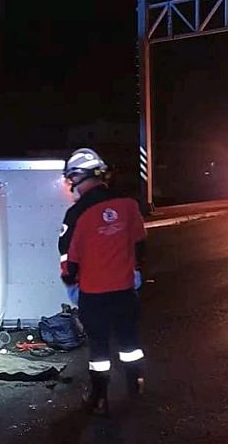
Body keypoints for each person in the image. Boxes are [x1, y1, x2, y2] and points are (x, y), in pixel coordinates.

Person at [58, 148, 147, 416]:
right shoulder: (129, 205)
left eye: (71, 179)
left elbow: (68, 257)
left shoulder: (76, 214)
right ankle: (136, 384)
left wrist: (70, 280)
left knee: (99, 348)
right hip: (124, 290)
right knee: (129, 341)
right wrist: (132, 270)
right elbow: (140, 243)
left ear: (77, 177)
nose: (71, 185)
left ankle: (99, 398)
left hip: (93, 294)